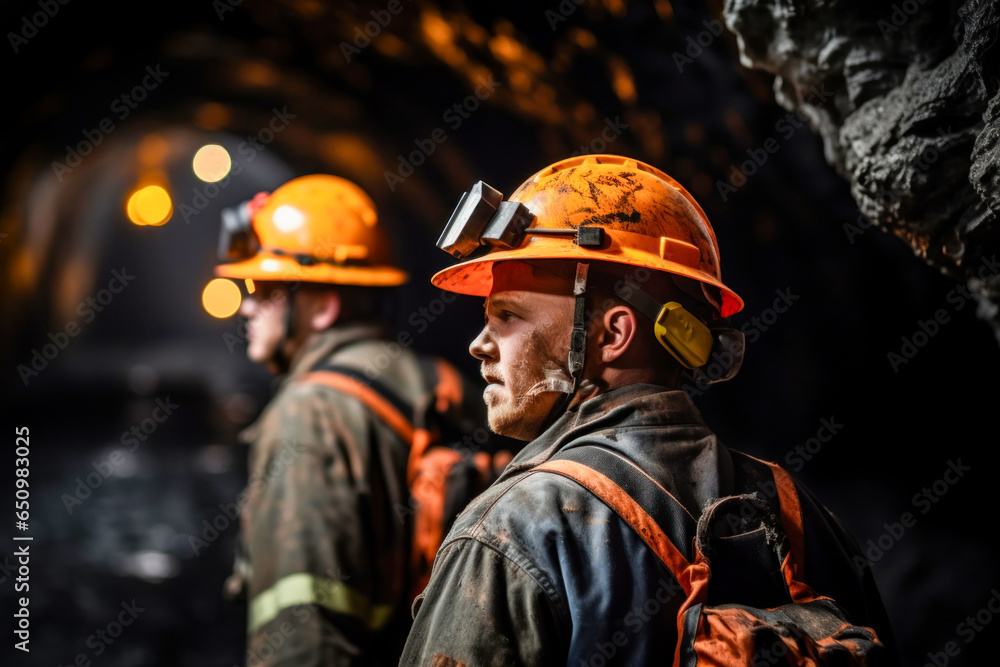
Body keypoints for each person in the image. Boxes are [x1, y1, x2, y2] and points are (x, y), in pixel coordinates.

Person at [399, 155, 899, 665]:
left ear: (613, 334)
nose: (479, 345)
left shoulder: (515, 528)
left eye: (507, 315)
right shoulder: (804, 518)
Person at [213, 174, 485, 666]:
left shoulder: (307, 414)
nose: (247, 305)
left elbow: (303, 633)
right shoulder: (442, 382)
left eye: (266, 288)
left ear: (322, 306)